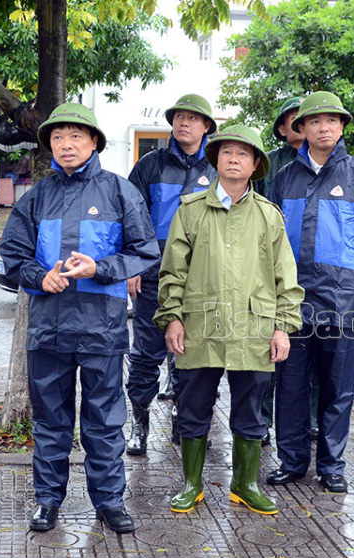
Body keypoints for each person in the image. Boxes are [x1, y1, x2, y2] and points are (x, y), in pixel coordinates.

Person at [0, 103, 158, 533]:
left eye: (75, 136)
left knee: (104, 422)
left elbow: (145, 251)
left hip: (102, 331)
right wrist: (39, 276)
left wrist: (100, 268)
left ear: (94, 142)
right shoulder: (37, 197)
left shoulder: (120, 192)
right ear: (49, 144)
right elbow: (11, 257)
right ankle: (48, 501)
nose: (66, 145)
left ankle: (109, 502)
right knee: (51, 423)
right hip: (48, 331)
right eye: (57, 137)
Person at [154, 125, 303, 515]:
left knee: (251, 410)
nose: (233, 159)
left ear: (255, 165)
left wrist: (283, 326)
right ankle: (191, 483)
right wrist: (172, 318)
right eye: (226, 153)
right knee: (193, 406)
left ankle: (245, 483)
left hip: (254, 328)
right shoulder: (190, 210)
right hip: (200, 325)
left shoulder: (269, 216)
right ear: (216, 160)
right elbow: (172, 270)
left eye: (243, 154)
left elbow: (286, 275)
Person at [266, 91, 354, 494]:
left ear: (341, 128)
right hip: (292, 300)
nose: (324, 128)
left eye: (332, 121)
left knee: (338, 387)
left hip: (343, 299)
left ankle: (332, 465)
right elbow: (267, 241)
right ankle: (292, 460)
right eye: (315, 121)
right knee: (290, 385)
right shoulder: (283, 178)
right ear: (299, 128)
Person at [125, 94, 218, 455]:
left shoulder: (216, 169)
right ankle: (139, 424)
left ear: (206, 126)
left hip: (201, 280)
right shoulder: (150, 165)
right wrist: (133, 265)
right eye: (179, 117)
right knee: (146, 354)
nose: (184, 123)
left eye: (193, 119)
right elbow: (131, 217)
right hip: (153, 275)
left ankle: (185, 421)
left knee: (192, 355)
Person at [253, 96, 320, 446]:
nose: (301, 123)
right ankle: (263, 420)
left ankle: (308, 420)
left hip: (314, 274)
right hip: (274, 266)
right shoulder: (272, 166)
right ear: (284, 128)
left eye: (305, 117)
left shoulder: (327, 165)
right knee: (270, 351)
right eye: (294, 119)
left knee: (310, 354)